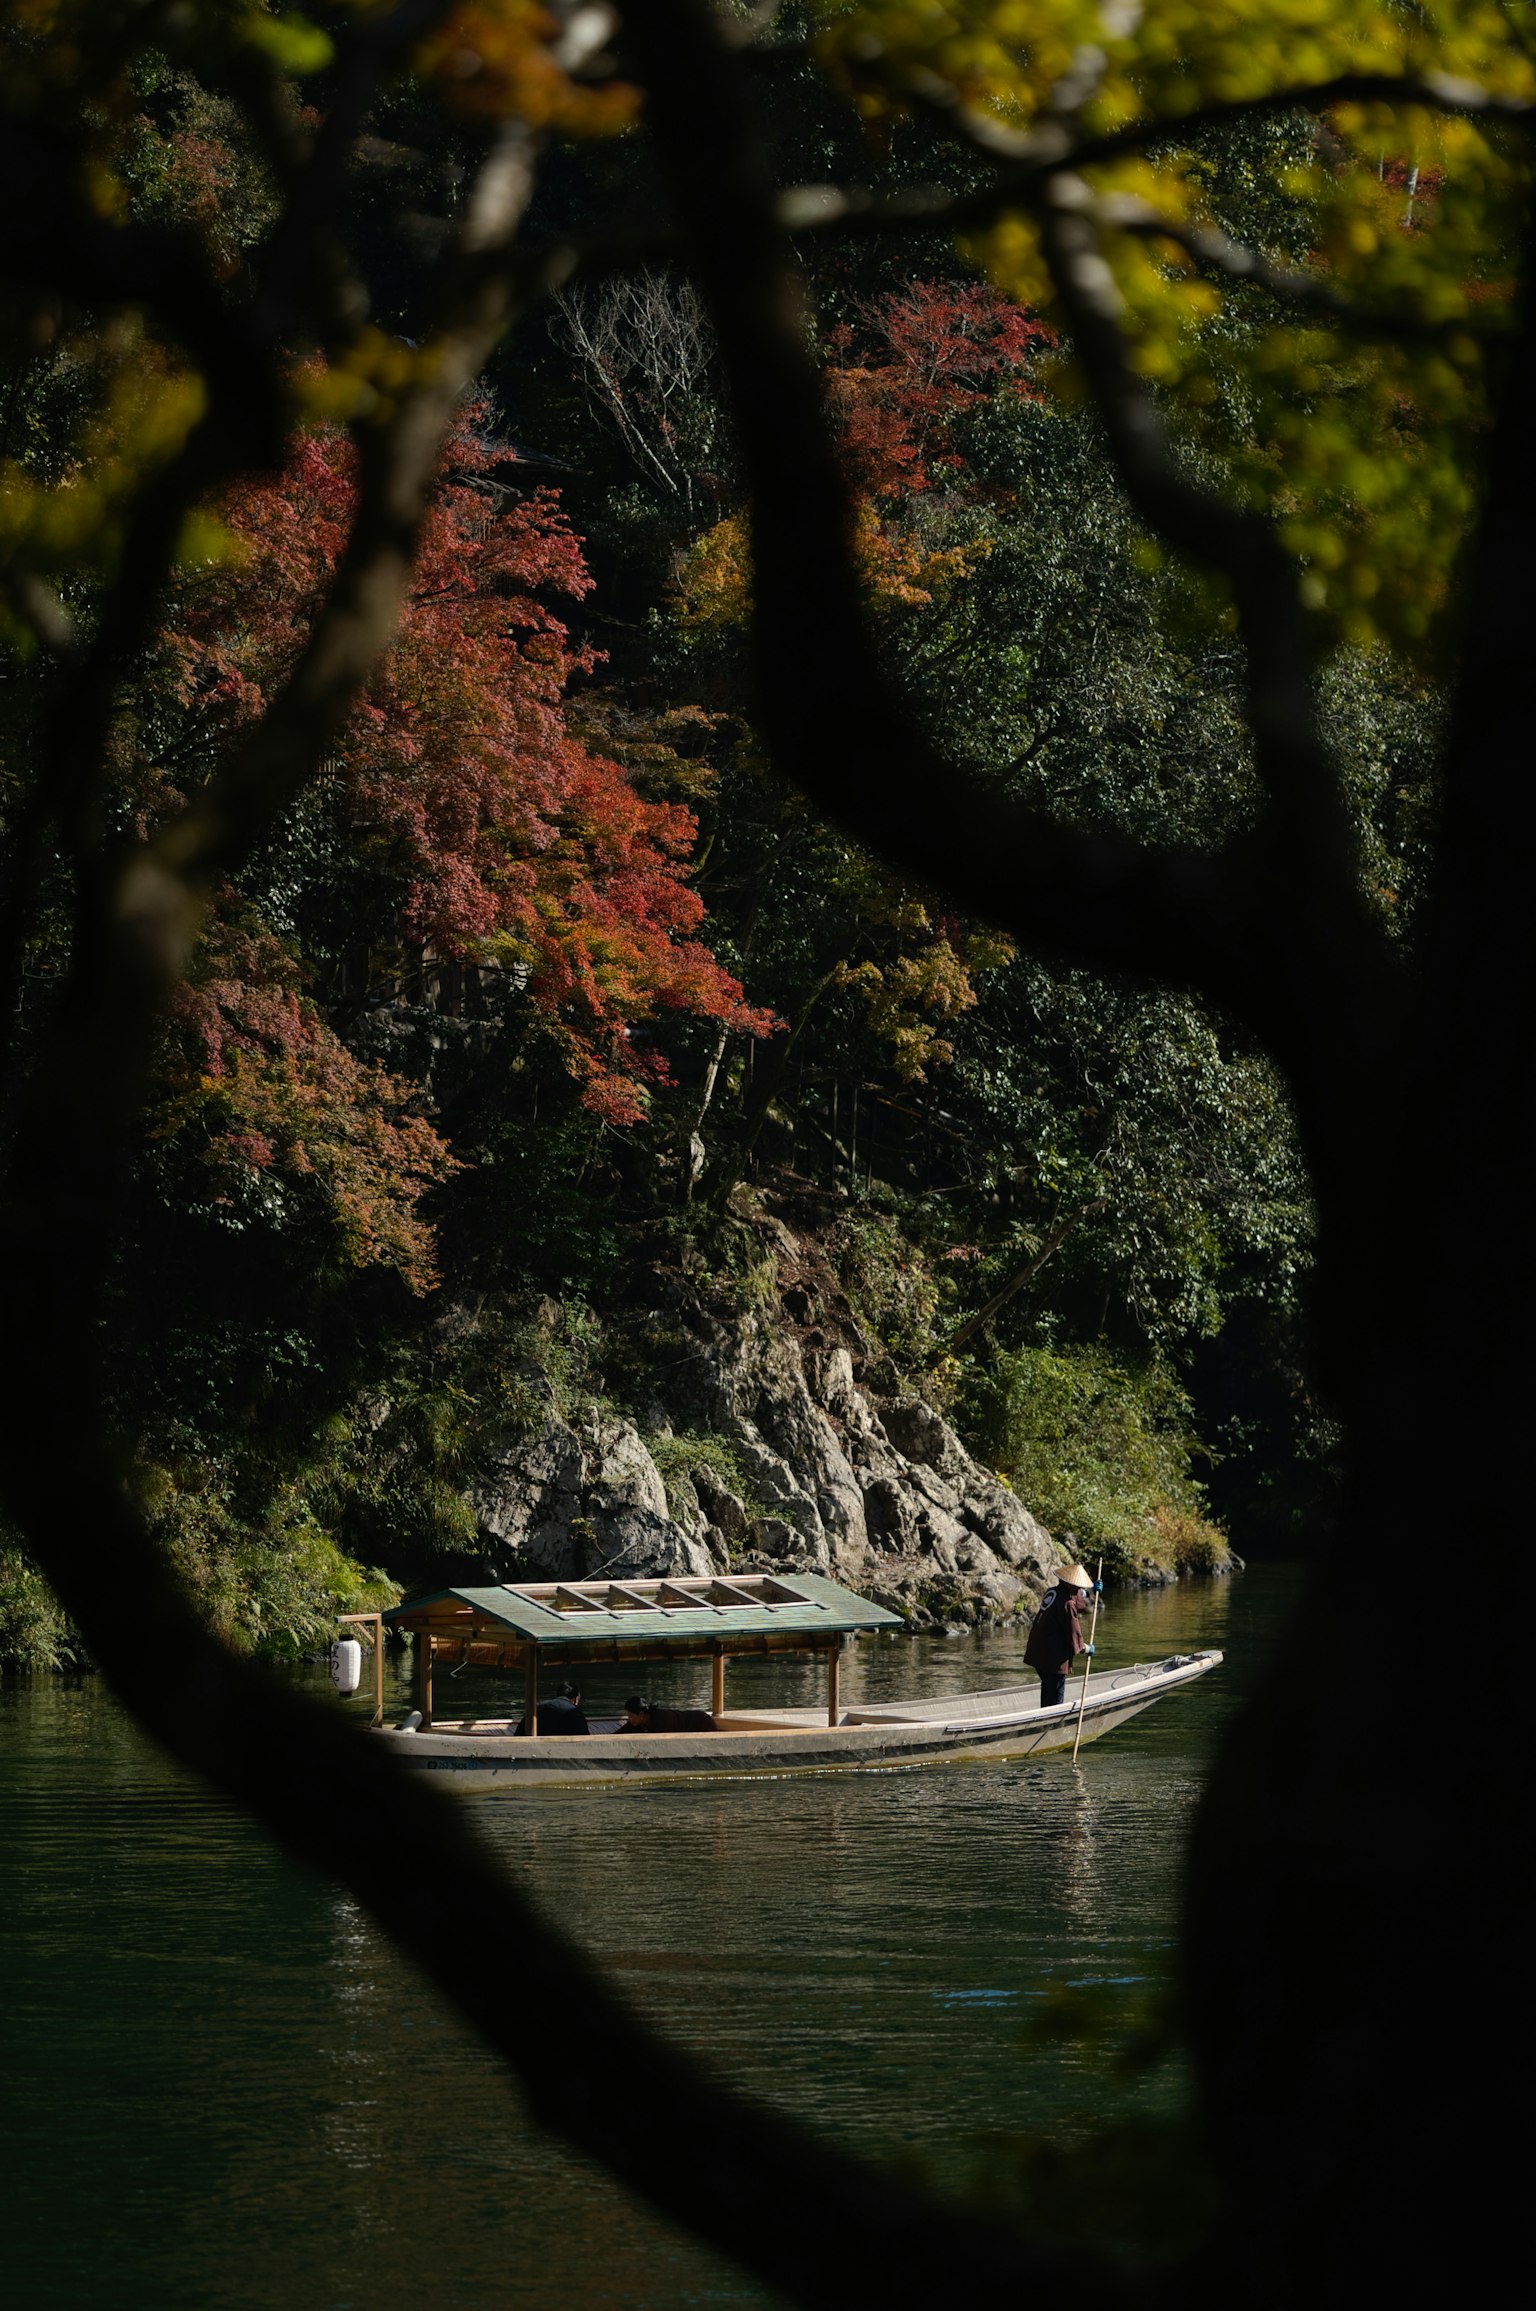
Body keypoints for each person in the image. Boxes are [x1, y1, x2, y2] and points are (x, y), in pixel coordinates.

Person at [1023, 1556, 1096, 1708]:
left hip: (1038, 1653)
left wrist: (1089, 1593)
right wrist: (1085, 1648)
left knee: (1047, 1689)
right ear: (1069, 1584)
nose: (1079, 1589)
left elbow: (1075, 1601)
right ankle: (1051, 1721)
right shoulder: (1067, 1604)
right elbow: (1073, 1633)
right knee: (1055, 1695)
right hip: (1053, 1658)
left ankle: (1044, 1714)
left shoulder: (1052, 1592)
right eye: (1078, 1586)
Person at [514, 1679, 590, 1736]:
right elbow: (585, 1738)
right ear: (576, 1699)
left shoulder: (537, 1707)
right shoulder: (574, 1711)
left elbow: (519, 1733)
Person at [616, 1694, 719, 1733]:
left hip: (702, 1723)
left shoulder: (662, 1720)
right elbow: (620, 1733)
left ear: (641, 1714)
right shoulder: (638, 1722)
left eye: (631, 1716)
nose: (629, 1719)